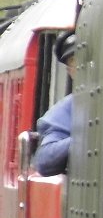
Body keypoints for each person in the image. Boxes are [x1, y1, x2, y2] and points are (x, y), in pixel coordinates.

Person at [33, 31, 77, 177]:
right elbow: (45, 160)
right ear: (70, 71)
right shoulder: (69, 107)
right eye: (74, 62)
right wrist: (83, 139)